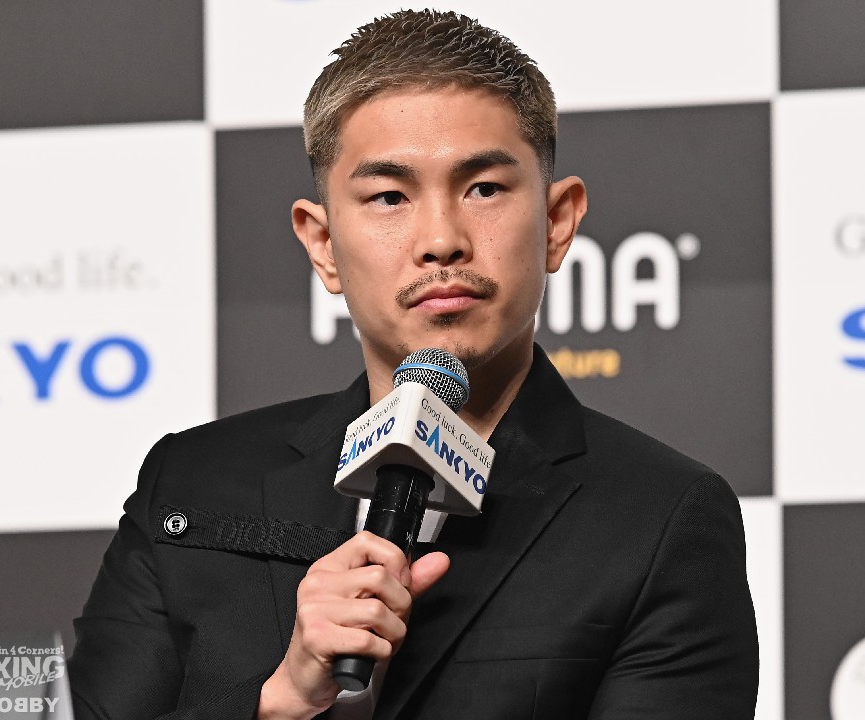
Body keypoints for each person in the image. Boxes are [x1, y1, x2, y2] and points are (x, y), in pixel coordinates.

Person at [68, 9, 759, 719]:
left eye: (484, 188)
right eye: (390, 197)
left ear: (557, 223)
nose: (441, 240)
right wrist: (276, 704)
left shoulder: (660, 517)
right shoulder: (191, 482)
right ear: (323, 245)